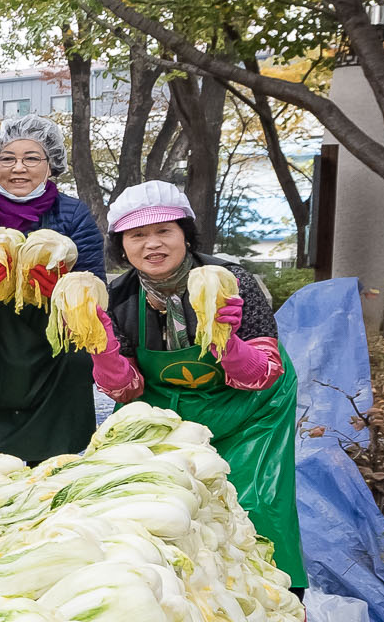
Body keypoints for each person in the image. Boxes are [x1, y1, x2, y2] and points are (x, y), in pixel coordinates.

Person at [88, 181, 304, 589]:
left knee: (255, 508)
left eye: (164, 231)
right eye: (138, 236)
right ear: (122, 246)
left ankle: (281, 600)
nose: (153, 244)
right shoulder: (116, 298)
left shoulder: (233, 283)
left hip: (250, 412)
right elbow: (127, 392)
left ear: (186, 235)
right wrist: (102, 350)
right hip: (167, 414)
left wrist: (229, 343)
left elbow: (263, 373)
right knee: (149, 508)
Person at [0, 116, 108, 465]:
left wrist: (64, 291)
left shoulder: (74, 215)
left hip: (55, 360)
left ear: (51, 165)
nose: (19, 168)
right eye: (7, 158)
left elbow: (97, 286)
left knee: (46, 477)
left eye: (32, 158)